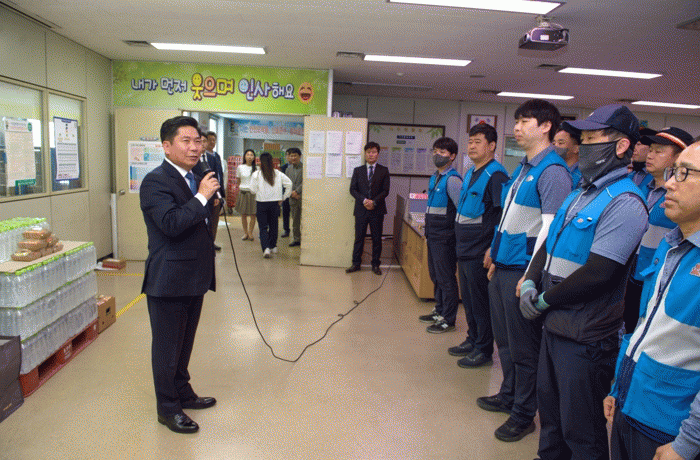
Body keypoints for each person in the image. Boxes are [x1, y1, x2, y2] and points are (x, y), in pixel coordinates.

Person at [519, 104, 649, 460]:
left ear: (621, 146)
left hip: (586, 337)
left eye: (592, 139)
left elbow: (599, 273)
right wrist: (530, 280)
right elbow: (549, 244)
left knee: (582, 431)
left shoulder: (625, 202)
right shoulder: (580, 192)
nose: (583, 146)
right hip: (555, 327)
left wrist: (544, 299)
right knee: (552, 420)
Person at [478, 99, 572, 443]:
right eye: (516, 121)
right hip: (504, 265)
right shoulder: (523, 168)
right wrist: (494, 252)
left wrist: (530, 276)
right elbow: (509, 218)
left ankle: (523, 414)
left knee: (524, 349)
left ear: (545, 127)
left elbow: (550, 231)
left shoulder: (553, 172)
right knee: (505, 342)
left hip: (522, 270)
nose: (516, 127)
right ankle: (508, 395)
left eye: (525, 121)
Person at [606, 139, 700, 460]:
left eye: (685, 173)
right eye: (674, 172)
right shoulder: (671, 245)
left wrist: (687, 444)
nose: (670, 184)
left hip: (669, 426)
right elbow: (645, 328)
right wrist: (618, 387)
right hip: (631, 401)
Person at [139, 115, 219, 434]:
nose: (194, 147)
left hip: (194, 275)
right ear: (167, 146)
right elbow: (171, 224)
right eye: (186, 141)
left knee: (184, 344)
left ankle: (183, 392)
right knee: (167, 349)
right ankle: (168, 408)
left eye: (197, 141)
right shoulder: (155, 182)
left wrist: (207, 197)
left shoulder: (196, 175)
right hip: (169, 279)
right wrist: (202, 197)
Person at [623, 127, 694, 334]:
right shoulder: (640, 186)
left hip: (657, 276)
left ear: (678, 159)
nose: (650, 155)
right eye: (651, 149)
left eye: (659, 151)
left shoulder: (683, 201)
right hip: (631, 272)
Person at [449, 124, 508, 365]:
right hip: (464, 248)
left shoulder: (496, 175)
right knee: (469, 301)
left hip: (479, 251)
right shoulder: (471, 172)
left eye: (477, 142)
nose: (471, 146)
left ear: (491, 146)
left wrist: (493, 247)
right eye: (470, 141)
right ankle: (472, 339)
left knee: (481, 303)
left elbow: (502, 215)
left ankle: (483, 349)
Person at [417, 137, 463, 333]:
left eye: (442, 152)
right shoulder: (435, 176)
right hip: (433, 234)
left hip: (446, 237)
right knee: (435, 275)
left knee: (446, 278)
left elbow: (461, 210)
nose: (438, 155)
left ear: (452, 156)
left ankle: (448, 319)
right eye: (435, 151)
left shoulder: (453, 180)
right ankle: (440, 310)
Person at [346, 142, 390, 275]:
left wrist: (374, 202)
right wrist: (365, 200)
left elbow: (385, 190)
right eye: (369, 152)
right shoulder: (358, 170)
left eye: (374, 152)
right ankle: (356, 263)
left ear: (378, 154)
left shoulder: (384, 170)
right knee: (359, 238)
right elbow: (353, 189)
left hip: (377, 210)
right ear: (365, 154)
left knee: (377, 238)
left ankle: (375, 264)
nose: (371, 155)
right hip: (361, 209)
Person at [249, 152, 292, 258]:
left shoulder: (256, 174)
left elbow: (252, 190)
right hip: (275, 203)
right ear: (272, 162)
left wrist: (259, 191)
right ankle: (273, 246)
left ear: (260, 162)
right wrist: (284, 197)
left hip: (261, 203)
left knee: (263, 227)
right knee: (274, 225)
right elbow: (289, 184)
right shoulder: (278, 173)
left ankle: (266, 248)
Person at [205, 131, 225, 250]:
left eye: (214, 140)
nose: (212, 142)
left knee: (215, 219)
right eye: (210, 140)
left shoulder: (216, 155)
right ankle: (206, 243)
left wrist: (222, 193)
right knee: (207, 219)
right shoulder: (203, 156)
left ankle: (212, 241)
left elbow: (220, 174)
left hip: (218, 192)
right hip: (209, 193)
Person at [235, 149, 257, 241]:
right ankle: (245, 233)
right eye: (248, 154)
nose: (249, 156)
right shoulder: (240, 167)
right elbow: (238, 181)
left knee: (253, 214)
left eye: (251, 155)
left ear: (254, 157)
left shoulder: (257, 168)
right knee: (243, 214)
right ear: (244, 156)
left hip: (253, 194)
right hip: (243, 193)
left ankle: (250, 232)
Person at [285, 147, 303, 247]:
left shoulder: (305, 168)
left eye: (295, 155)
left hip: (302, 197)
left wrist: (297, 191)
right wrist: (292, 193)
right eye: (291, 156)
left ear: (300, 156)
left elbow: (306, 182)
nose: (293, 158)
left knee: (305, 220)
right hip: (293, 198)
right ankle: (297, 239)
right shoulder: (288, 169)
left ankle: (306, 239)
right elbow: (287, 183)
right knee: (295, 220)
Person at [280, 150, 291, 238]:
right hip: (286, 193)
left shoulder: (302, 167)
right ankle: (286, 230)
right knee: (285, 212)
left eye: (292, 155)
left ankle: (298, 231)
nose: (290, 157)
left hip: (296, 193)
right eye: (288, 155)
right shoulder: (283, 167)